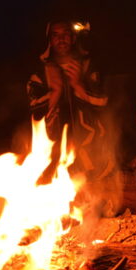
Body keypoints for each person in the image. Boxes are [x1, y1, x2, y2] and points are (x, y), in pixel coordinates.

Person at [27, 20, 111, 180]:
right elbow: (35, 113)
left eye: (65, 34)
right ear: (50, 40)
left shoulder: (88, 65)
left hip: (89, 147)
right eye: (56, 35)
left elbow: (103, 103)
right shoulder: (40, 71)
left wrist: (78, 85)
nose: (61, 39)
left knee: (92, 189)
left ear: (73, 38)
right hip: (52, 148)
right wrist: (56, 90)